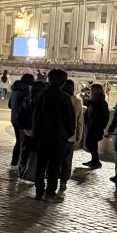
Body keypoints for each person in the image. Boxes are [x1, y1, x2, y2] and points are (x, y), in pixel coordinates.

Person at [31, 68, 75, 202]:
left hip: (41, 135)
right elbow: (69, 119)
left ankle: (39, 192)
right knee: (54, 167)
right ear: (62, 82)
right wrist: (69, 133)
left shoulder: (40, 95)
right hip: (58, 137)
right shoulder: (64, 98)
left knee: (41, 165)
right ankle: (50, 193)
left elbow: (34, 113)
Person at [60, 79, 84, 192]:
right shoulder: (77, 102)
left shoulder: (57, 99)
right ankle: (63, 182)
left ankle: (52, 181)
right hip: (70, 137)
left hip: (57, 136)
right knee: (67, 160)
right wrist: (78, 135)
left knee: (55, 159)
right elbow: (80, 121)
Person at [82, 83, 109, 170]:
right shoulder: (93, 101)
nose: (91, 91)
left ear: (97, 90)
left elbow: (105, 116)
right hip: (91, 125)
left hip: (96, 127)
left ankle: (96, 161)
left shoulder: (101, 102)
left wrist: (101, 126)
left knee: (90, 144)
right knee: (92, 144)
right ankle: (94, 160)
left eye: (92, 89)